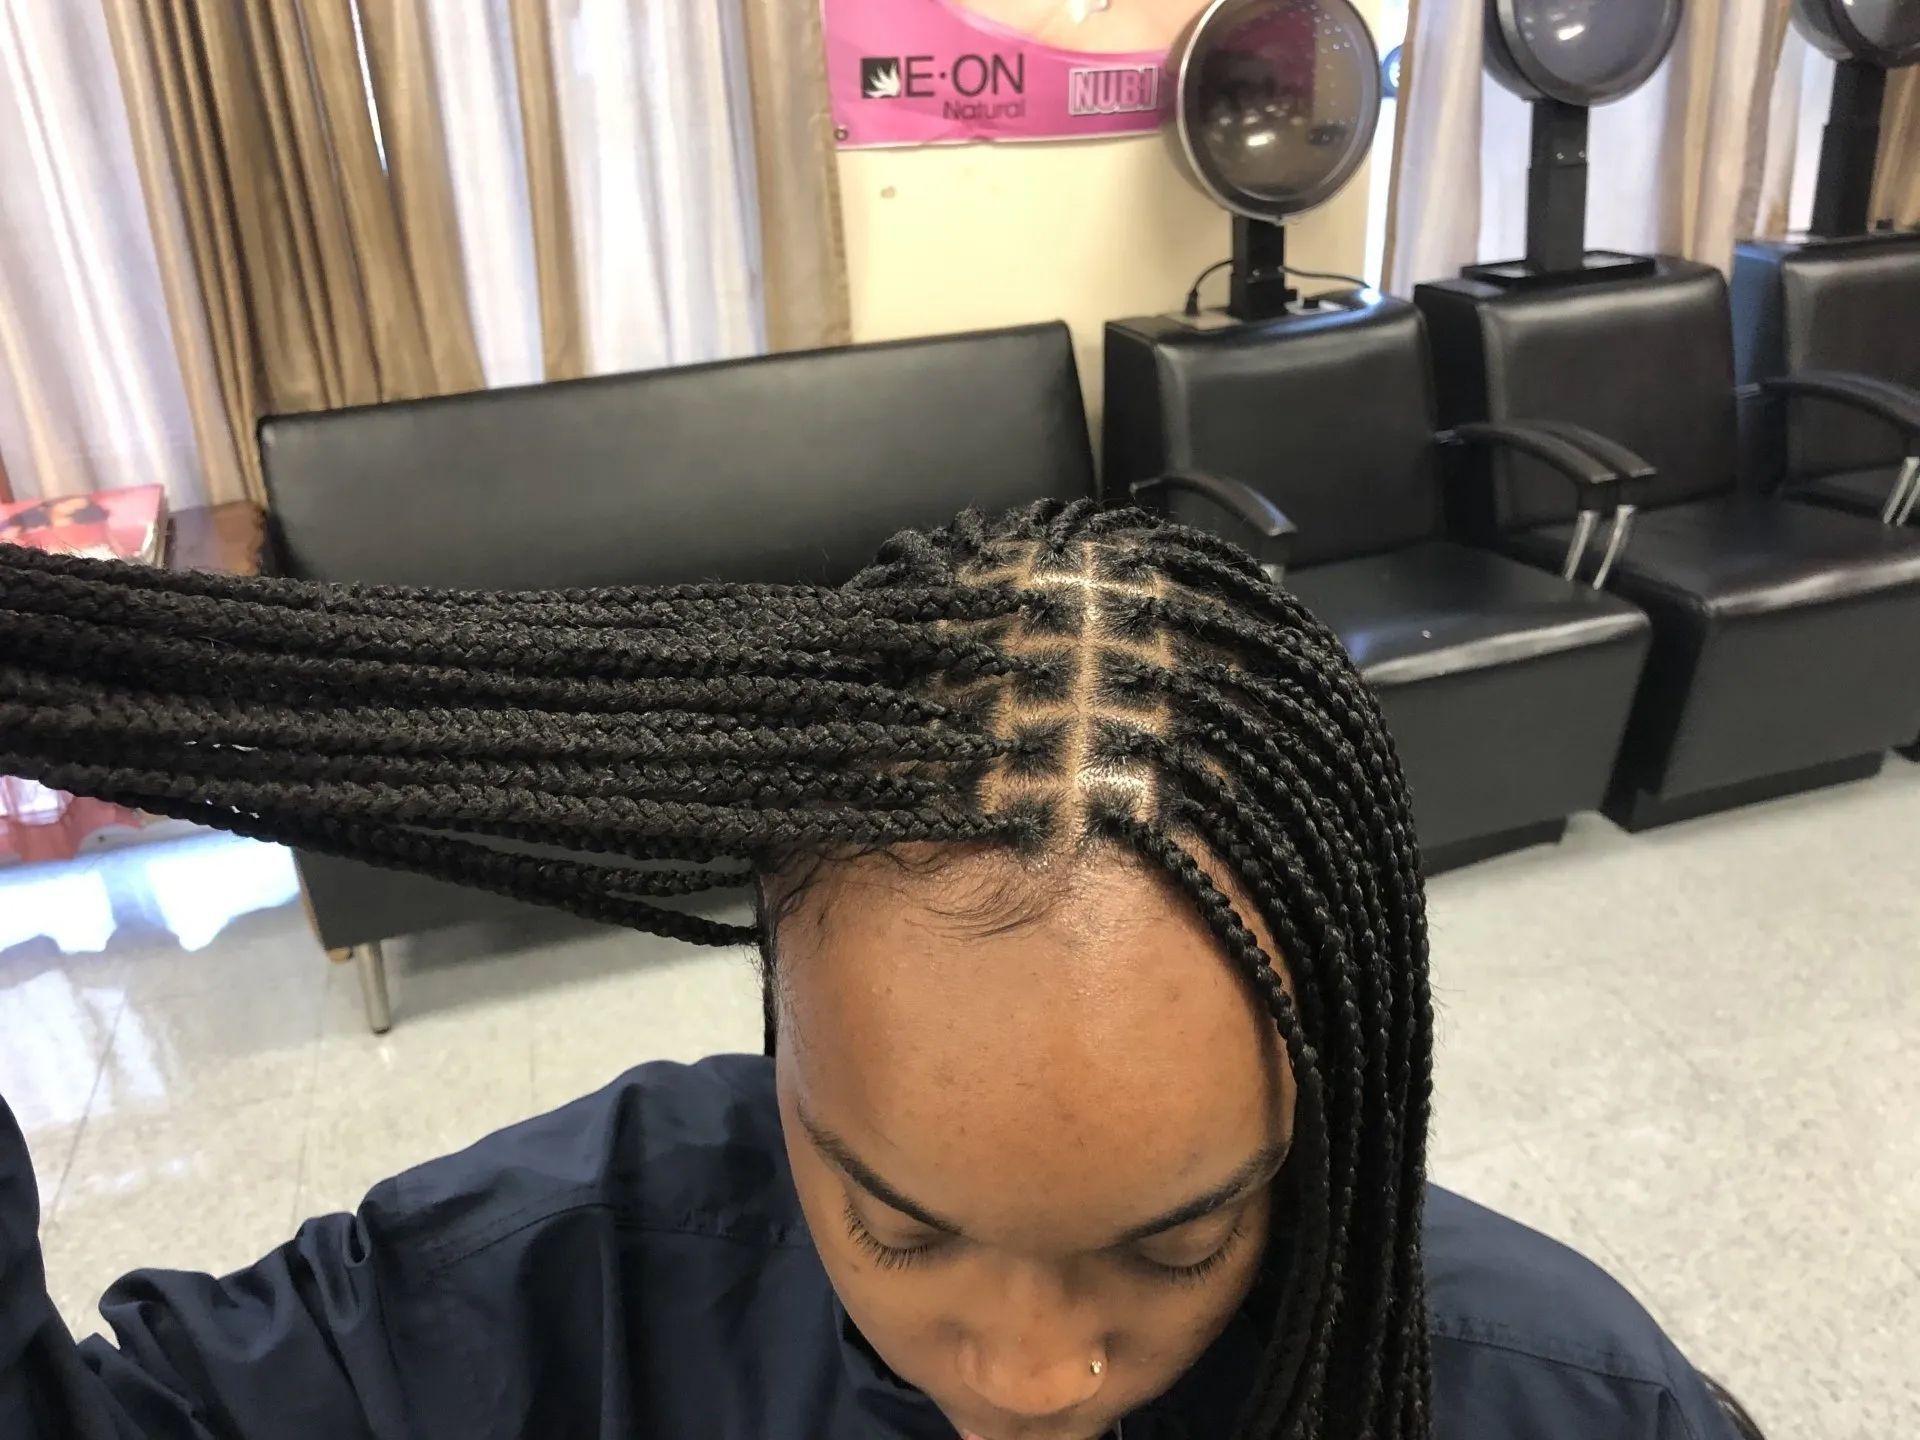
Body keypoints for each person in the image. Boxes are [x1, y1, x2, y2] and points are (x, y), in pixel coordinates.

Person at [0, 502, 1737, 1440]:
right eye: (901, 1228)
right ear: (783, 1030)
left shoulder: (1563, 1401)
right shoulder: (553, 1289)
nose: (1035, 1379)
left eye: (1182, 1241)